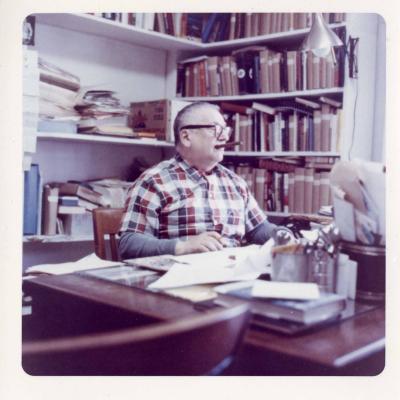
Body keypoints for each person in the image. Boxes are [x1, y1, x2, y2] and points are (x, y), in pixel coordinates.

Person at [119, 102, 276, 259]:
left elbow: (258, 229)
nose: (225, 136)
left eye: (226, 129)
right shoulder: (154, 181)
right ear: (186, 137)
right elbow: (129, 244)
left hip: (232, 274)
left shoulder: (235, 182)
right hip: (179, 277)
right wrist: (183, 247)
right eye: (215, 129)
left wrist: (287, 236)